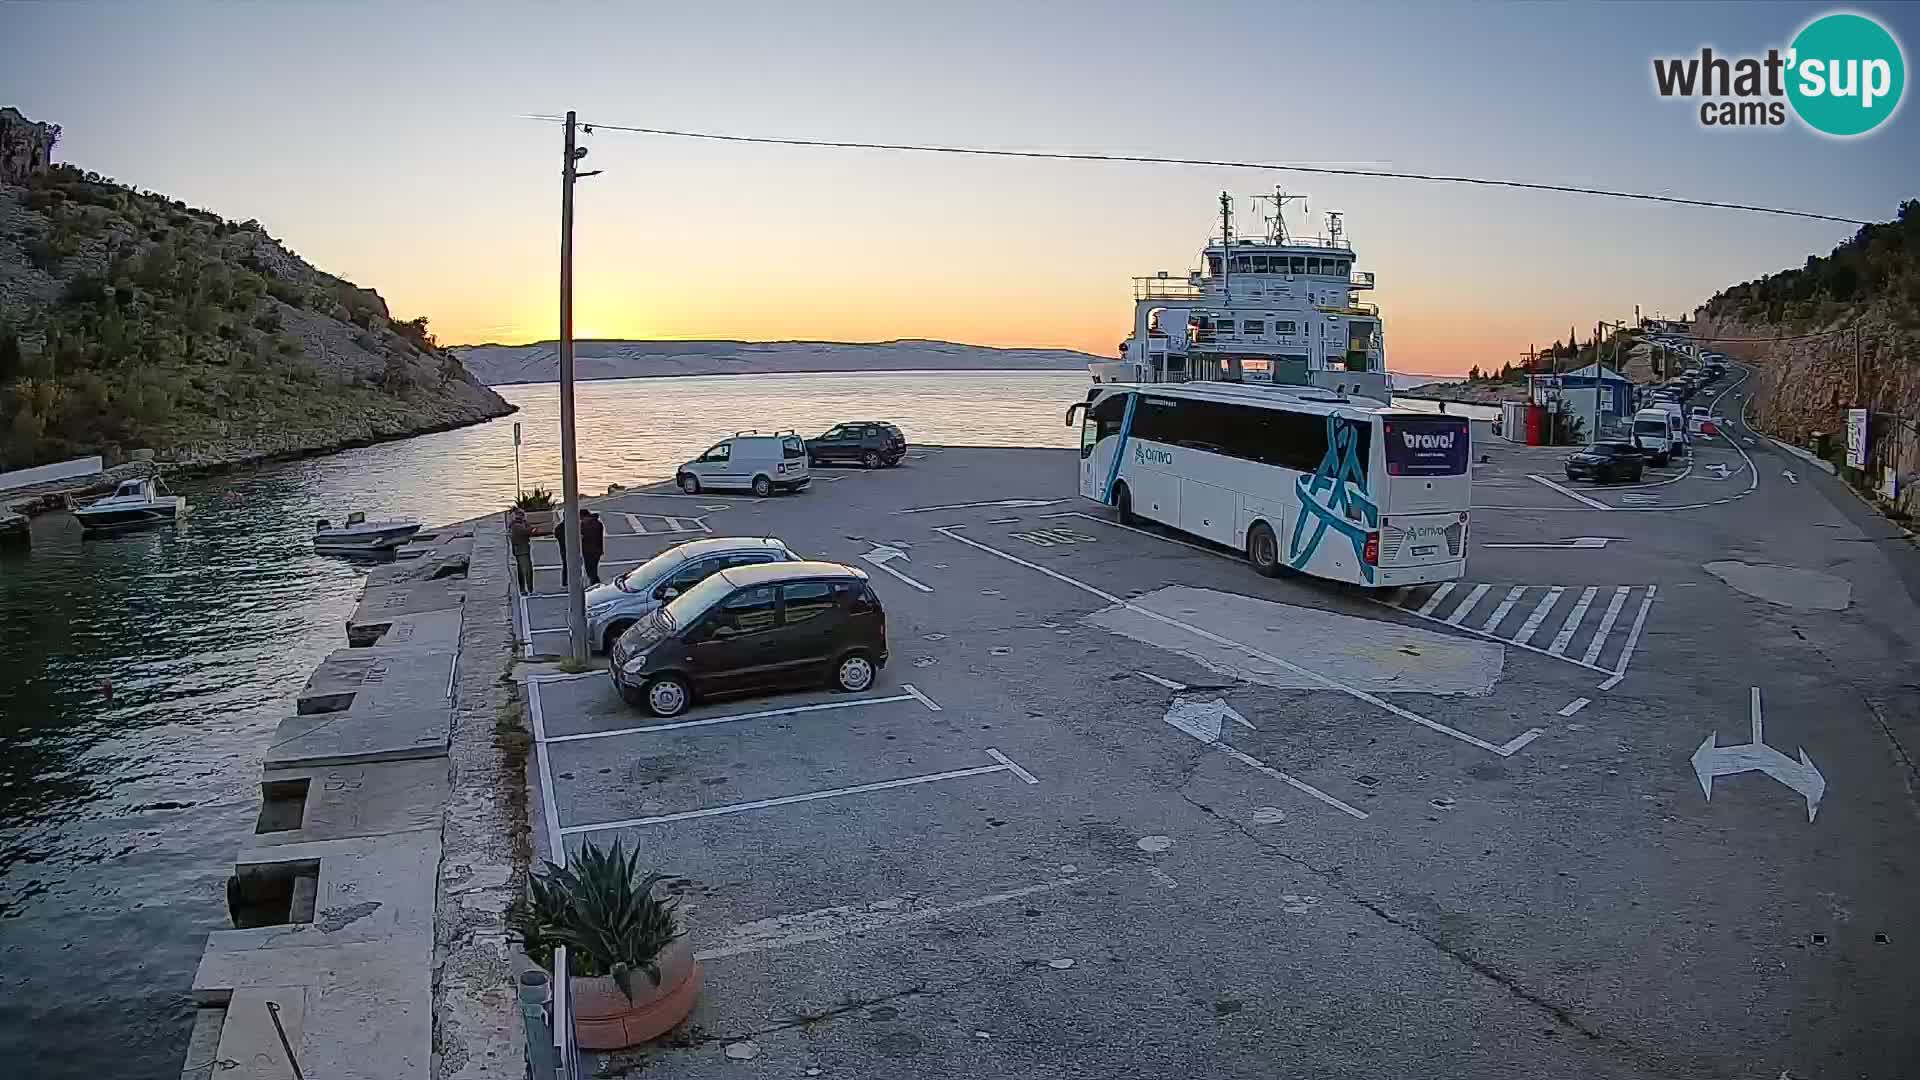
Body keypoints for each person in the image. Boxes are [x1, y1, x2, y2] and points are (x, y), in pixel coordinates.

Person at [507, 508, 534, 593]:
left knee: (524, 570)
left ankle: (527, 589)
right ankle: (527, 589)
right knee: (525, 571)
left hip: (521, 550)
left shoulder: (515, 525)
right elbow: (528, 531)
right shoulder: (517, 526)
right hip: (522, 550)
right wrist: (529, 526)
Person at [580, 509, 606, 585]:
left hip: (591, 550)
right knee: (592, 569)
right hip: (594, 550)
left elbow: (589, 536)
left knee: (591, 569)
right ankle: (595, 582)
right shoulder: (597, 523)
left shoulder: (590, 525)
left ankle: (595, 584)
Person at [554, 514, 568, 588]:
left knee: (565, 564)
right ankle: (565, 581)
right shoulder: (572, 525)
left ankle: (565, 581)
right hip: (565, 547)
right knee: (567, 564)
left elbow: (556, 534)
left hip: (563, 547)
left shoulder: (559, 527)